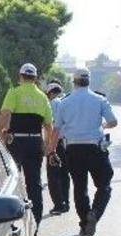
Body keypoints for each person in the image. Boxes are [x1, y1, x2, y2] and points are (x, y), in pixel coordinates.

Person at [50, 68, 118, 236]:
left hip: (73, 150)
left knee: (80, 188)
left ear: (74, 82)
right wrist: (102, 126)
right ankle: (94, 213)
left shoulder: (64, 102)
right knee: (104, 185)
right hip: (95, 149)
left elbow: (56, 129)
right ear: (89, 81)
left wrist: (50, 151)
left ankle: (84, 224)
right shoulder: (99, 100)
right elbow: (113, 121)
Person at [0, 63, 54, 224]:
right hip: (35, 142)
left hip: (16, 142)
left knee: (12, 180)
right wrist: (49, 147)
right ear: (35, 78)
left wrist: (0, 135)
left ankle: (12, 220)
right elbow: (49, 126)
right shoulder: (42, 97)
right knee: (34, 183)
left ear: (21, 77)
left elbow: (4, 115)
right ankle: (36, 220)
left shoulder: (14, 92)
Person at [45, 80, 70, 215]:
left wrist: (49, 147)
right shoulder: (66, 102)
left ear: (50, 93)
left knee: (53, 175)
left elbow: (53, 127)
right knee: (64, 174)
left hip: (56, 142)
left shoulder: (53, 104)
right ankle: (66, 202)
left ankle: (58, 205)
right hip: (67, 143)